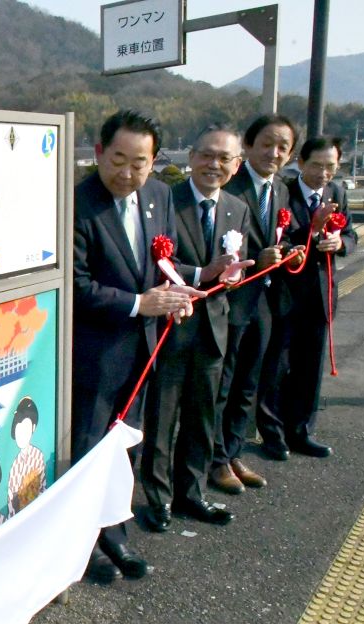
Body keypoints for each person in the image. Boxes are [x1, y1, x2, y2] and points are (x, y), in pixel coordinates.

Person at [72, 109, 202, 583]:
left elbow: (162, 262)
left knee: (125, 448)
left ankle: (116, 535)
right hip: (93, 355)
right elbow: (76, 284)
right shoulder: (77, 203)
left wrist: (178, 293)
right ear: (100, 152)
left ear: (154, 162)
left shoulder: (159, 196)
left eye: (139, 163)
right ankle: (82, 548)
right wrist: (137, 303)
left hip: (143, 350)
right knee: (87, 451)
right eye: (118, 160)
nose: (127, 173)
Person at [140, 125, 253, 532]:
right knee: (162, 416)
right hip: (173, 325)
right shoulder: (165, 200)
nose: (214, 164)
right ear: (191, 156)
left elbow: (239, 261)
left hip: (214, 328)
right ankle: (157, 498)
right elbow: (155, 260)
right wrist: (202, 273)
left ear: (237, 164)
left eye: (225, 158)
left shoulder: (237, 208)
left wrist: (233, 276)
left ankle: (192, 492)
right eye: (207, 155)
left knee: (203, 417)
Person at [211, 114, 298, 494]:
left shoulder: (279, 190)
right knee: (222, 384)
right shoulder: (231, 183)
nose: (273, 153)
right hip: (230, 302)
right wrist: (252, 260)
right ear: (247, 146)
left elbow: (284, 235)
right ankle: (214, 460)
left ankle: (233, 451)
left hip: (264, 301)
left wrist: (289, 254)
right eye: (266, 143)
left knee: (249, 383)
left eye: (282, 147)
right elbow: (213, 243)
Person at [262, 136, 357, 458]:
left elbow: (351, 234)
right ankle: (272, 434)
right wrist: (312, 234)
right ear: (300, 163)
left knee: (310, 368)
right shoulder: (282, 193)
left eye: (330, 166)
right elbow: (281, 239)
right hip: (286, 294)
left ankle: (301, 431)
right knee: (277, 367)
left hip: (320, 294)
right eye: (316, 165)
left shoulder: (337, 193)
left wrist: (340, 243)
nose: (323, 173)